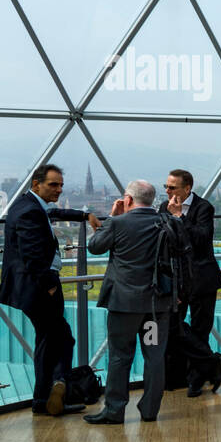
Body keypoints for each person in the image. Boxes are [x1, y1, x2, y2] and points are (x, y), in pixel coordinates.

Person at [0, 164, 100, 415]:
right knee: (58, 339)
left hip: (34, 287)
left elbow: (54, 212)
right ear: (36, 184)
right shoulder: (29, 211)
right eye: (53, 184)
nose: (59, 189)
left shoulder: (30, 205)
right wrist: (50, 286)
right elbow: (32, 255)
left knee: (54, 339)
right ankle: (53, 391)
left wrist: (83, 215)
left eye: (61, 185)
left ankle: (49, 394)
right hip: (39, 288)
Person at [82, 180, 181, 424]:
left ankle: (115, 410)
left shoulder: (118, 223)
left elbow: (94, 247)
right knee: (154, 356)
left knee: (120, 356)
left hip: (124, 305)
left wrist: (112, 218)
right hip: (156, 307)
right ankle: (149, 410)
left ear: (127, 200)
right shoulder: (166, 222)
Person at [158, 169, 221, 397]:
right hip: (177, 279)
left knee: (200, 328)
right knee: (174, 327)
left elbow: (201, 238)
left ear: (187, 189)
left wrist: (180, 218)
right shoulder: (162, 208)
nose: (167, 191)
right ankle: (208, 365)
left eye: (172, 187)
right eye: (166, 187)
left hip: (202, 279)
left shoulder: (203, 208)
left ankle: (196, 379)